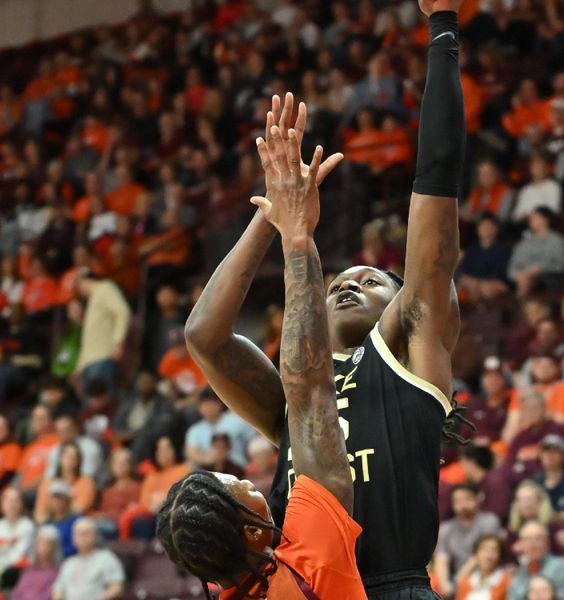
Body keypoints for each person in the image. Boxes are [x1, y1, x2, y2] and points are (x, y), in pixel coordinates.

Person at [185, 4, 469, 595]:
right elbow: (204, 337)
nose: (346, 285)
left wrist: (443, 26)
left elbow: (437, 184)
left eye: (370, 281)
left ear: (402, 302)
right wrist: (273, 213)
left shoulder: (411, 353)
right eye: (339, 281)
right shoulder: (291, 397)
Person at [156, 96, 366, 599]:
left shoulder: (407, 370)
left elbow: (203, 338)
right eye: (239, 485)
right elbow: (309, 389)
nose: (348, 287)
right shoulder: (305, 554)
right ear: (251, 531)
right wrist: (293, 233)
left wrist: (275, 213)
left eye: (370, 282)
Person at [434, 483, 502, 596]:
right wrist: (444, 583)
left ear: (477, 499)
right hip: (455, 578)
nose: (462, 504)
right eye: (457, 500)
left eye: (467, 498)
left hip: (484, 574)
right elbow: (441, 558)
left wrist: (460, 580)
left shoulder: (489, 521)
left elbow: (482, 554)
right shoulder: (446, 528)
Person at [52, 518, 125, 600]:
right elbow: (58, 590)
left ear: (96, 536)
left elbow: (117, 588)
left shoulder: (106, 558)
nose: (82, 537)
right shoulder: (68, 563)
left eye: (86, 533)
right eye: (78, 534)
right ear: (73, 539)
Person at [184, 388, 255, 469]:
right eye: (205, 405)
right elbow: (192, 453)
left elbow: (253, 439)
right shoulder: (195, 430)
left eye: (212, 404)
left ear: (220, 403)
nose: (209, 408)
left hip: (238, 467)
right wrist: (208, 459)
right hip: (210, 471)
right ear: (199, 407)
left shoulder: (236, 421)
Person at [509, 521, 564, 600]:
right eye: (527, 539)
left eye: (538, 538)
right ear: (521, 544)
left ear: (547, 542)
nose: (532, 544)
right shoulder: (518, 574)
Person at [35, 442, 96, 523]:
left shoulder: (87, 482)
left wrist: (54, 509)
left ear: (79, 461)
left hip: (75, 524)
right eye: (67, 456)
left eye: (74, 457)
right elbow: (39, 514)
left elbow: (80, 508)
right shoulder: (46, 484)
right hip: (49, 524)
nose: (71, 459)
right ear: (60, 458)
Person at [10, 525, 61, 600]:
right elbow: (18, 592)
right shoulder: (29, 570)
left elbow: (48, 595)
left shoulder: (57, 571)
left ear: (54, 547)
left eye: (47, 543)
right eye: (41, 543)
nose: (43, 547)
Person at [453, 534, 510, 600]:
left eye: (494, 550)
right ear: (476, 554)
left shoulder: (506, 582)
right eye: (484, 549)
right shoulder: (466, 582)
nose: (489, 554)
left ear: (500, 555)